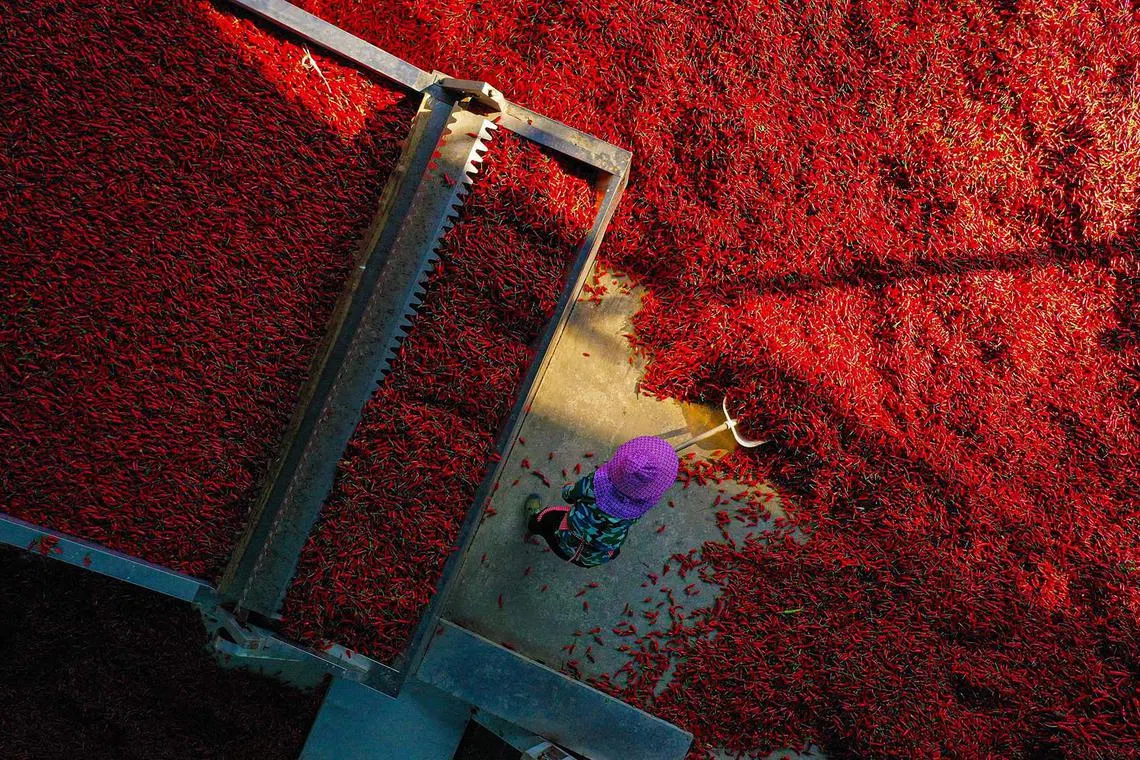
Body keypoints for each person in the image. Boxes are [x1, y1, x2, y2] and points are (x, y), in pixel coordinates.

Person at [523, 436, 679, 568]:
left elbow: (569, 496)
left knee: (546, 517)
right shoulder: (642, 505)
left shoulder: (594, 484)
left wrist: (568, 489)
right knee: (612, 544)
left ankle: (532, 523)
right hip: (595, 559)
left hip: (562, 542)